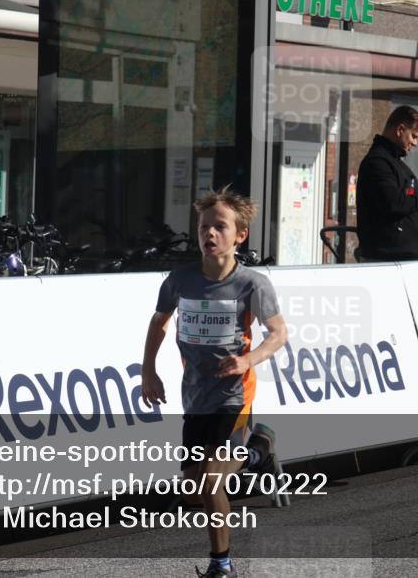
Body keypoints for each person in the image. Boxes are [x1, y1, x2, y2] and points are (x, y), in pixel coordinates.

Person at [141, 188, 289, 578]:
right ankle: (257, 452)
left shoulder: (252, 284)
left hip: (234, 395)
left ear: (240, 235)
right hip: (196, 396)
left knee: (210, 483)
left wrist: (247, 359)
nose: (209, 233)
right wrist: (148, 371)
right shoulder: (180, 280)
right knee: (194, 491)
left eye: (220, 226)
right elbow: (159, 322)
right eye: (204, 226)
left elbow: (278, 333)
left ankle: (221, 565)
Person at [356, 105, 418, 261]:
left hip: (403, 258)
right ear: (400, 130)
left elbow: (405, 207)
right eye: (413, 136)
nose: (415, 143)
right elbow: (392, 203)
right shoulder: (378, 161)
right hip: (387, 260)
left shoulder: (394, 162)